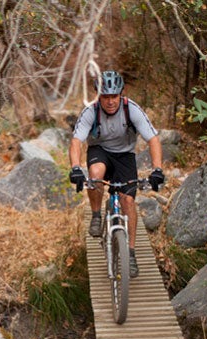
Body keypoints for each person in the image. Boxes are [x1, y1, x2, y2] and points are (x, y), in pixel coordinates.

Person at [68, 70, 164, 278]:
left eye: (114, 96)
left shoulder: (132, 110)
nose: (110, 101)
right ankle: (96, 215)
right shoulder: (90, 112)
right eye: (105, 96)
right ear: (98, 95)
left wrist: (157, 170)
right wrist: (75, 167)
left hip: (125, 156)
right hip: (99, 151)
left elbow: (153, 139)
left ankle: (130, 253)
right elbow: (76, 141)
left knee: (128, 200)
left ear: (121, 93)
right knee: (95, 173)